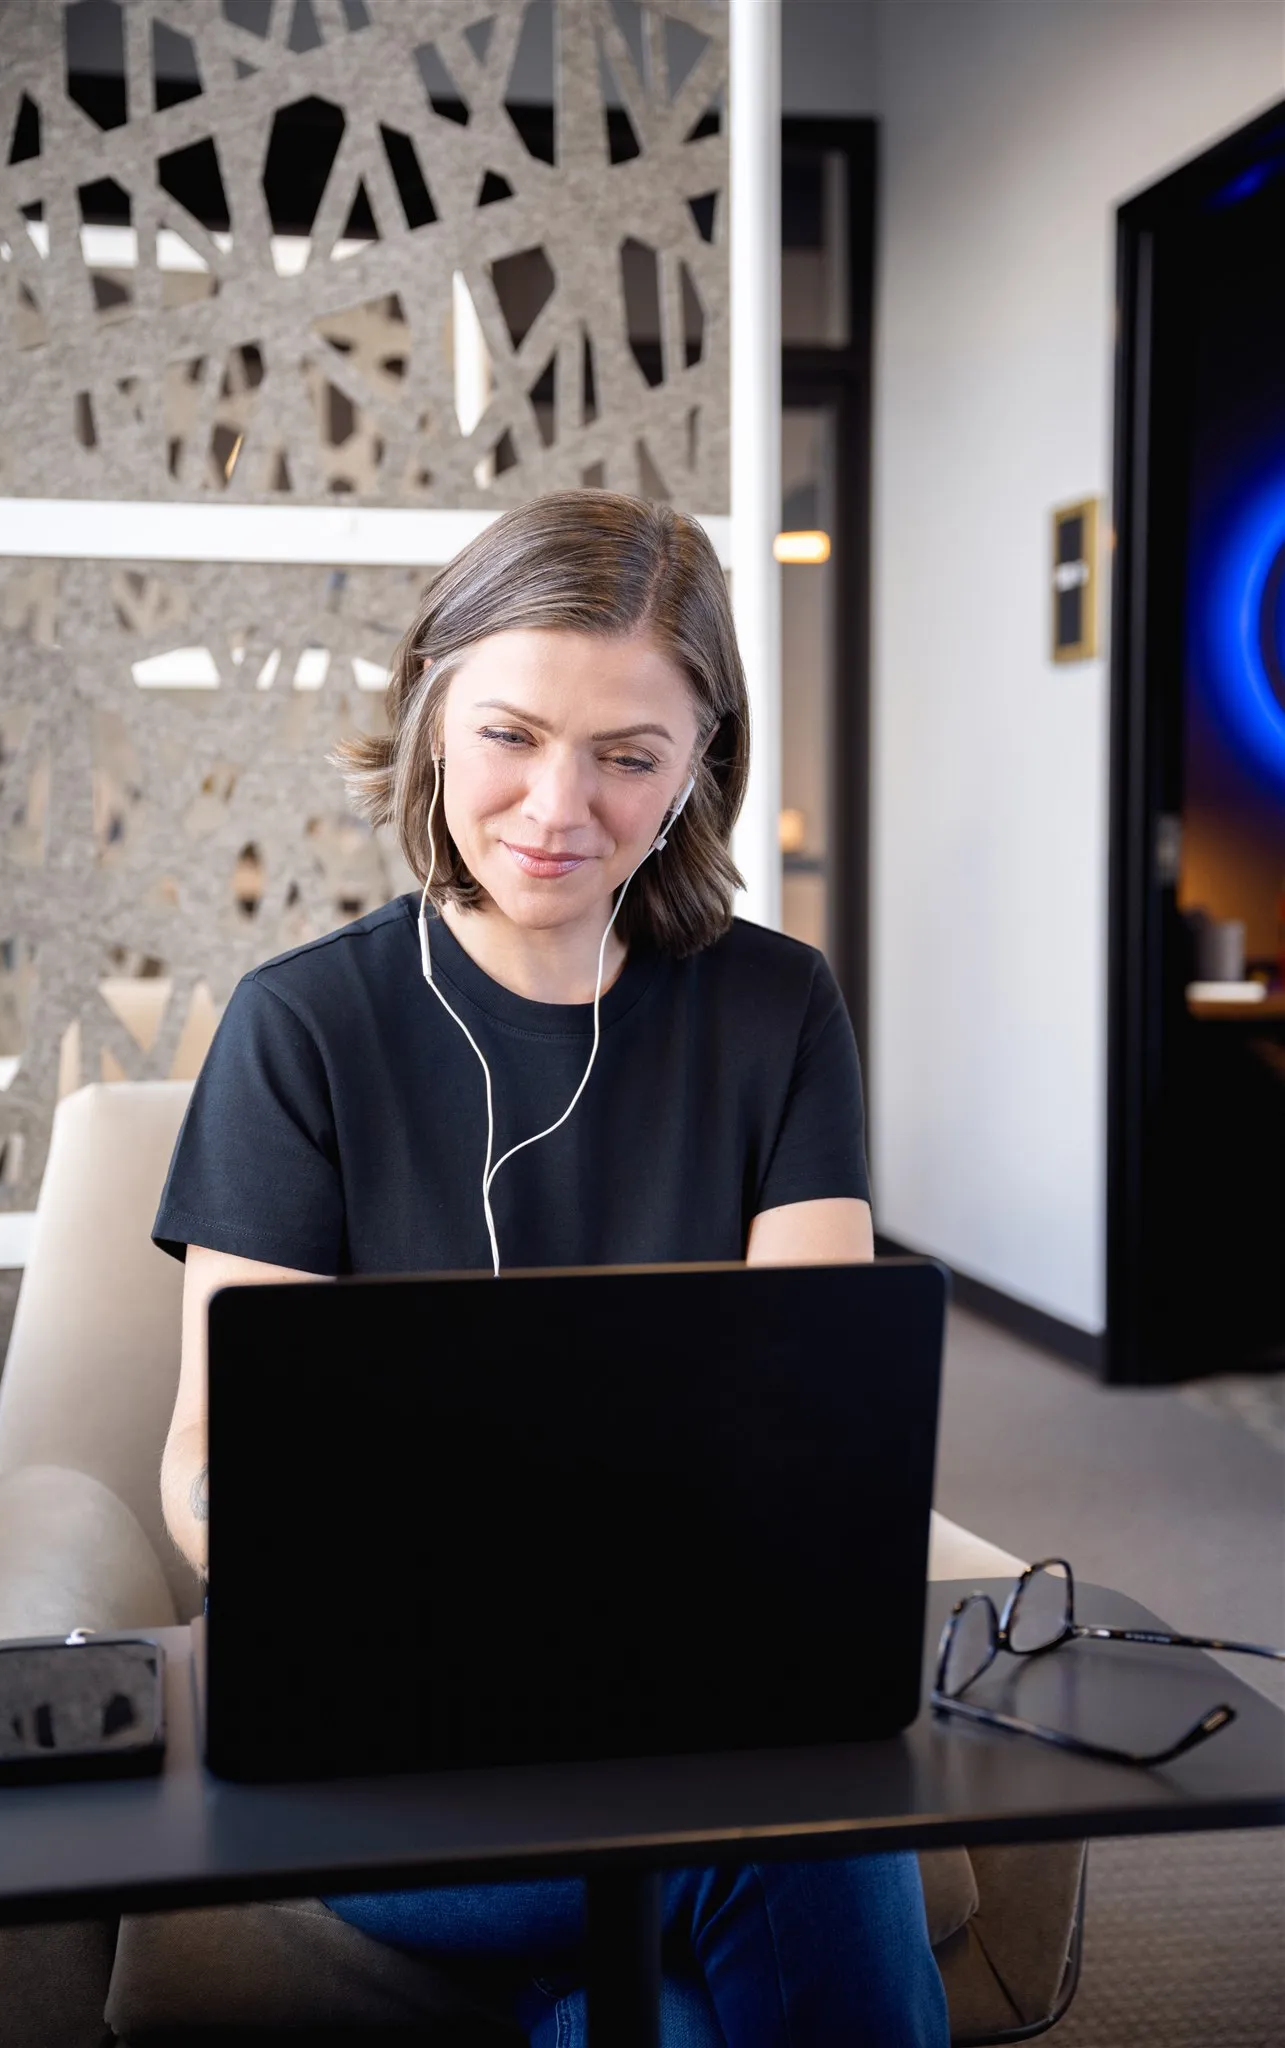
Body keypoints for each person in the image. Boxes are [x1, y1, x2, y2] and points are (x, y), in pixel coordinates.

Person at [154, 490, 948, 2046]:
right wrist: (305, 1559)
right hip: (386, 1737)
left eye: (628, 757)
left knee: (661, 2009)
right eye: (510, 736)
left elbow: (818, 1432)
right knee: (805, 1833)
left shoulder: (778, 1010)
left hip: (692, 1695)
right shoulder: (302, 1025)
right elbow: (205, 1458)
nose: (556, 807)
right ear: (433, 712)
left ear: (700, 764)